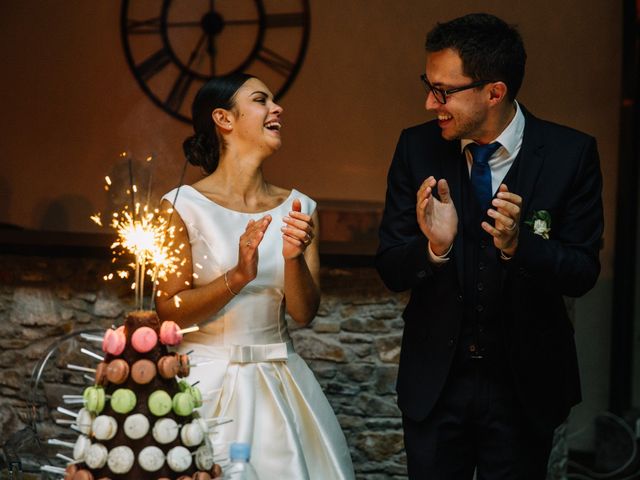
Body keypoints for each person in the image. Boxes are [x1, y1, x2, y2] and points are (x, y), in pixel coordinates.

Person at [375, 13, 603, 479]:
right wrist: (433, 250)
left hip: (525, 387)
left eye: (443, 91)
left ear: (494, 92)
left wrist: (520, 246)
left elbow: (582, 271)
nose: (428, 102)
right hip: (436, 385)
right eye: (429, 84)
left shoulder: (570, 154)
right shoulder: (415, 149)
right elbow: (392, 267)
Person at [156, 73, 355, 480]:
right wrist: (239, 275)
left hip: (280, 381)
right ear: (224, 119)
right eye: (262, 100)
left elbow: (303, 314)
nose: (277, 108)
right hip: (202, 384)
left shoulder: (299, 206)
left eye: (274, 101)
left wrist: (292, 258)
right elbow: (168, 311)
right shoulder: (181, 206)